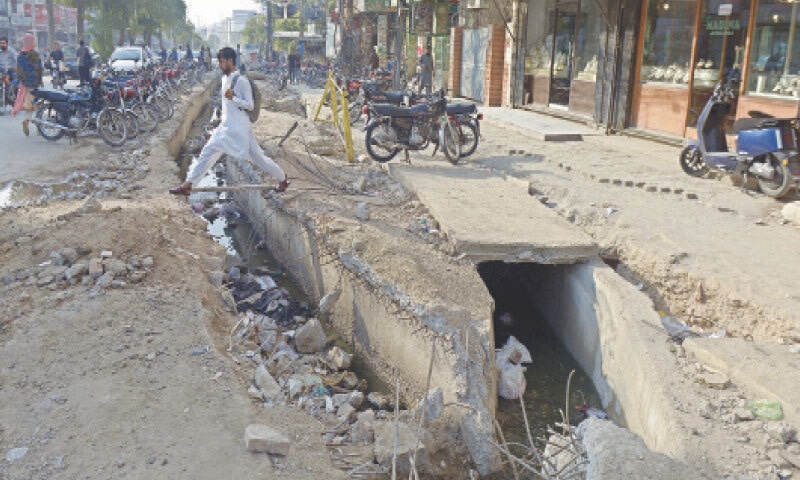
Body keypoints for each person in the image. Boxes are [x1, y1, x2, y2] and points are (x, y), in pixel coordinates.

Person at [169, 47, 289, 196]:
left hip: (236, 127)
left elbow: (250, 105)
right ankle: (283, 179)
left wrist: (234, 98)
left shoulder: (242, 81)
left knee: (209, 152)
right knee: (258, 157)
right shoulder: (224, 78)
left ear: (230, 61)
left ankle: (188, 184)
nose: (219, 65)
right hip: (229, 125)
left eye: (221, 62)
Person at [13, 34, 43, 136]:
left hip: (26, 85)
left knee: (30, 106)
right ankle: (39, 128)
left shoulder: (20, 55)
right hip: (35, 84)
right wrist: (39, 80)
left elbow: (19, 71)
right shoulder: (35, 55)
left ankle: (26, 121)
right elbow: (40, 69)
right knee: (38, 106)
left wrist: (23, 81)